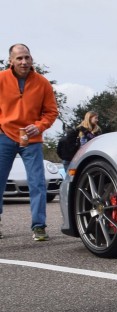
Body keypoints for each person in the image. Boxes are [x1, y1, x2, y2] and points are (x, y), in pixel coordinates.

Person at [0, 43, 59, 241]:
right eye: (19, 58)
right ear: (11, 61)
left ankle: (39, 226)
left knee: (37, 183)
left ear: (31, 59)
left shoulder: (42, 83)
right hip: (4, 136)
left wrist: (40, 126)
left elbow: (51, 112)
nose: (24, 62)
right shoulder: (1, 79)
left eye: (27, 57)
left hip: (31, 139)